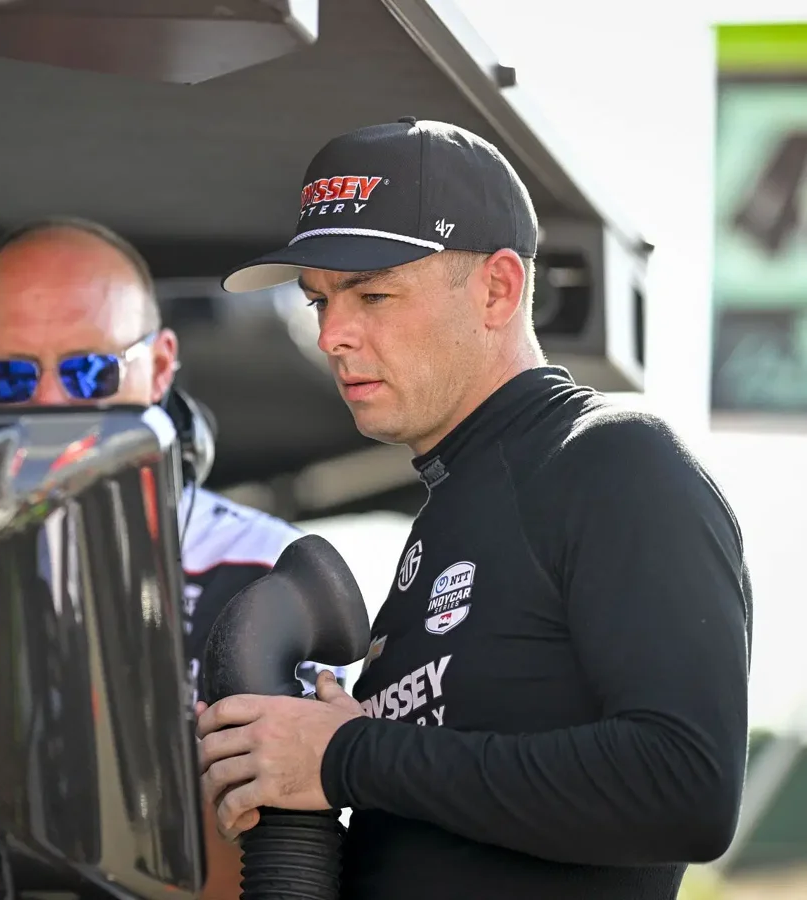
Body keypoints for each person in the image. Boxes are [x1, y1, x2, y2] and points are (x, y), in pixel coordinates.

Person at [195, 118, 753, 899]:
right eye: (318, 300)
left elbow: (685, 786)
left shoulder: (614, 460)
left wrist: (346, 756)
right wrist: (297, 772)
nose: (332, 335)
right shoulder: (450, 511)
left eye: (373, 294)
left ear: (498, 289)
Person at [0, 216, 347, 898]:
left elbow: (273, 858)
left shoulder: (268, 574)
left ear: (161, 365)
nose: (50, 403)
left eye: (88, 372)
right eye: (11, 377)